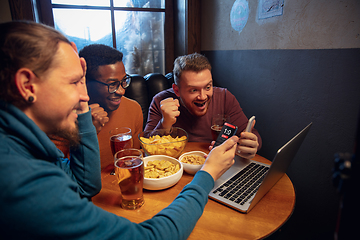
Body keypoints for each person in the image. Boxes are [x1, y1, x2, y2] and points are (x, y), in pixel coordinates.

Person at [0, 21, 239, 239]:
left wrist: (81, 108)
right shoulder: (21, 181)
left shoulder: (26, 148)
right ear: (26, 86)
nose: (84, 95)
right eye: (74, 82)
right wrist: (207, 174)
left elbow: (85, 187)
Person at [144, 53, 262, 160]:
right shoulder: (160, 101)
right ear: (177, 90)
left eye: (208, 87)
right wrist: (165, 123)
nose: (203, 96)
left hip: (217, 165)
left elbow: (252, 135)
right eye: (193, 90)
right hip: (174, 168)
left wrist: (250, 145)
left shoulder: (225, 97)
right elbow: (145, 149)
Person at [79, 44, 143, 169]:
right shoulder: (66, 118)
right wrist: (86, 131)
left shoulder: (133, 108)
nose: (121, 91)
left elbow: (133, 162)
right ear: (86, 82)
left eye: (124, 81)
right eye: (112, 84)